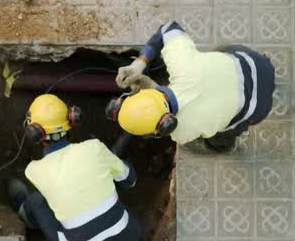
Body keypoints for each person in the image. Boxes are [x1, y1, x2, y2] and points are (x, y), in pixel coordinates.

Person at [7, 94, 144, 241]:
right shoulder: (94, 148)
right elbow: (131, 180)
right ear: (72, 119)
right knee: (115, 172)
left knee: (37, 201)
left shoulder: (34, 170)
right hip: (128, 235)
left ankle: (26, 216)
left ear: (34, 133)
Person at [109, 20, 275, 153]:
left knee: (220, 135)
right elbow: (168, 28)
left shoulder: (182, 132)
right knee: (219, 51)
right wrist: (140, 63)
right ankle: (267, 62)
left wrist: (152, 84)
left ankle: (224, 147)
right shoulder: (181, 63)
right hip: (256, 64)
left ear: (164, 127)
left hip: (257, 107)